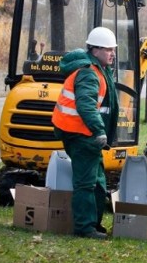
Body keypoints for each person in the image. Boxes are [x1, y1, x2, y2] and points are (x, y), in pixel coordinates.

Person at [51, 27, 119, 240]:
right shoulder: (89, 73)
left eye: (113, 49)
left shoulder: (97, 70)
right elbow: (86, 105)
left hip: (83, 133)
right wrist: (99, 130)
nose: (112, 53)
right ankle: (85, 228)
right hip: (81, 134)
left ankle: (93, 224)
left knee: (97, 180)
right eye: (108, 49)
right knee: (86, 182)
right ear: (95, 50)